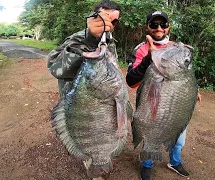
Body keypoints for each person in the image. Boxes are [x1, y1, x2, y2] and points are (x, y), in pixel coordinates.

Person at [126, 10, 202, 180]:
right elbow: (131, 81)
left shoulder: (177, 48)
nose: (159, 27)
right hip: (151, 103)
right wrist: (149, 58)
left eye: (163, 24)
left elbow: (187, 74)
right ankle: (147, 165)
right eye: (154, 24)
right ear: (148, 27)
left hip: (175, 103)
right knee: (150, 132)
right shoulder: (141, 49)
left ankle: (175, 162)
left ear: (168, 27)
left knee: (178, 136)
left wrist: (194, 90)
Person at [47, 0, 121, 99]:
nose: (109, 24)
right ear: (94, 17)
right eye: (104, 18)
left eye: (114, 21)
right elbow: (54, 66)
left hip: (98, 103)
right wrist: (91, 38)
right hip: (74, 104)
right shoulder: (79, 38)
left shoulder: (109, 40)